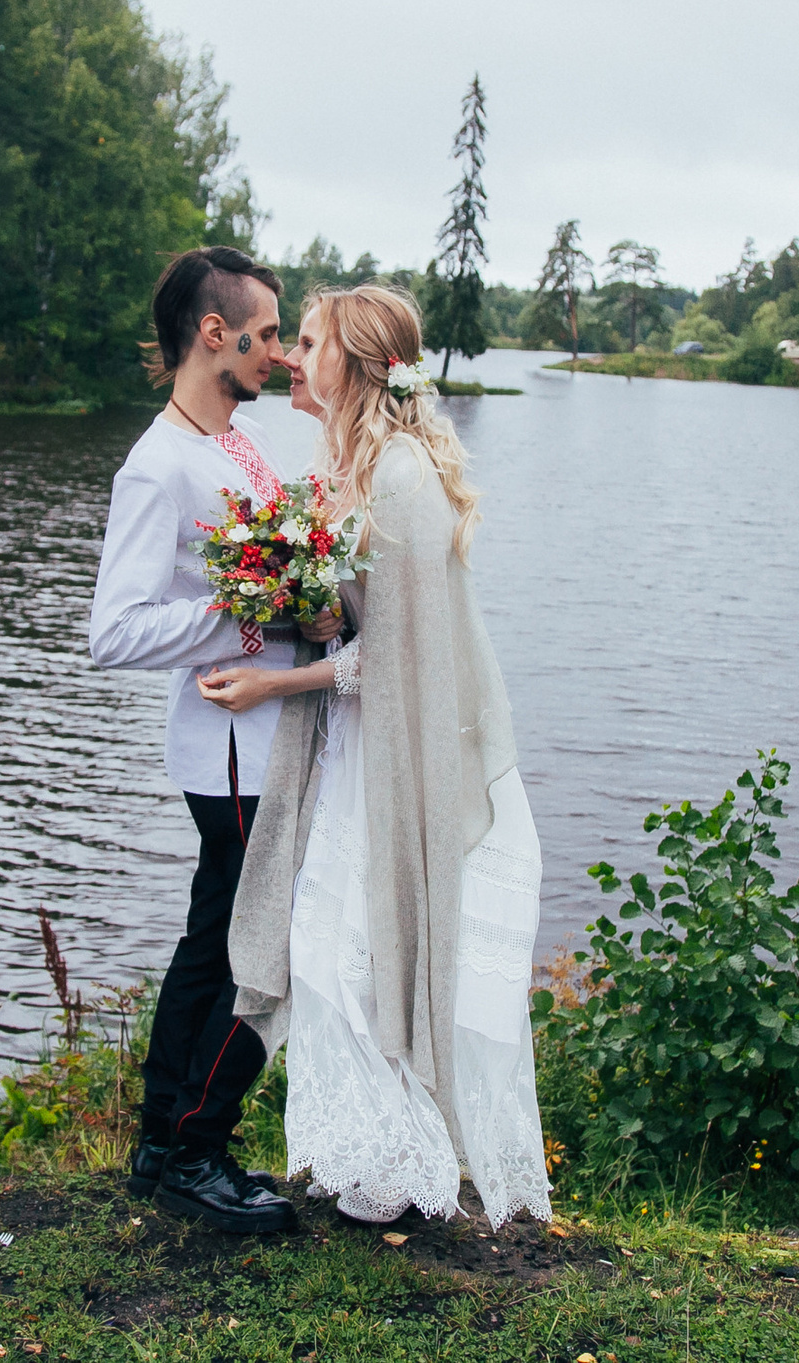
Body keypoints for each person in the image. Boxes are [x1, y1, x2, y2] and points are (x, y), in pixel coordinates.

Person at [202, 284, 551, 1229]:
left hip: (400, 760)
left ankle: (403, 1161)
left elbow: (398, 659)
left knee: (364, 949)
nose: (289, 354)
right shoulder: (340, 466)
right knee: (324, 949)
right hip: (354, 749)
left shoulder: (400, 476)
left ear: (353, 365)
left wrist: (278, 680)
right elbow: (359, 625)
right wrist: (315, 610)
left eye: (307, 340)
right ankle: (367, 1157)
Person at [85, 245, 337, 1235]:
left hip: (268, 732)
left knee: (212, 940)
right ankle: (197, 1148)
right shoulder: (156, 467)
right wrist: (245, 609)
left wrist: (306, 600)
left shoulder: (241, 441)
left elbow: (278, 567)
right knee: (256, 946)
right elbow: (113, 632)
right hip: (230, 747)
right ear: (214, 333)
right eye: (267, 335)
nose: (278, 353)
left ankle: (165, 1143)